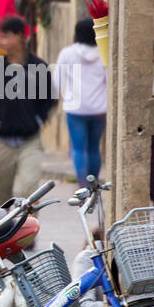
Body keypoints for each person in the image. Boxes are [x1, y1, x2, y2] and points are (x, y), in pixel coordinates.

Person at [0, 16, 55, 207]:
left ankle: (29, 236)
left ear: (20, 36)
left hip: (30, 140)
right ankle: (2, 235)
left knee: (31, 191)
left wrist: (38, 119)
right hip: (1, 141)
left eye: (6, 36)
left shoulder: (38, 67)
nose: (1, 41)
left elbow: (50, 98)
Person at [54, 18, 108, 187]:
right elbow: (109, 81)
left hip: (75, 109)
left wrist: (62, 98)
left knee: (78, 148)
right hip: (99, 108)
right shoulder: (103, 53)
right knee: (94, 147)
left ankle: (82, 184)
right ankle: (93, 183)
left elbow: (57, 81)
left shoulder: (67, 53)